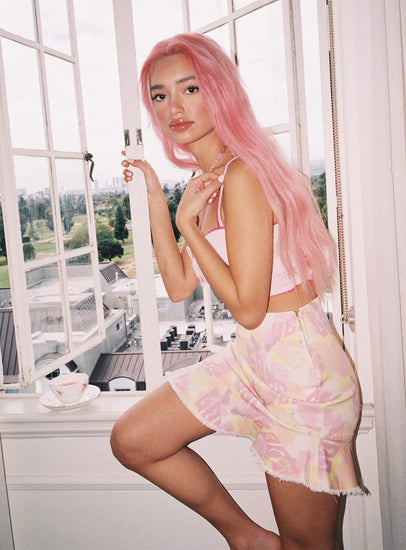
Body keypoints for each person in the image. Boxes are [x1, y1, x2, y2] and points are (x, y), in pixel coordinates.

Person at [111, 33, 363, 550]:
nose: (174, 107)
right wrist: (159, 200)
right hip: (255, 359)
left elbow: (248, 309)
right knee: (133, 439)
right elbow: (179, 286)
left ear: (220, 91)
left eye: (190, 88)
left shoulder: (243, 175)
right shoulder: (212, 177)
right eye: (160, 95)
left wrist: (190, 227)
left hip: (302, 374)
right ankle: (249, 539)